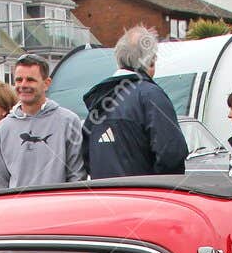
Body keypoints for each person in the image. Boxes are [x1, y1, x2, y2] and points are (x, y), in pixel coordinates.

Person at [80, 26, 187, 179]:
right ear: (150, 61)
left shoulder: (99, 100)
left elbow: (87, 157)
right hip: (144, 198)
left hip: (104, 196)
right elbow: (171, 154)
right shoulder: (151, 95)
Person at [0, 54, 86, 188]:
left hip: (58, 207)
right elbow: (0, 182)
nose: (23, 85)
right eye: (19, 80)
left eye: (30, 80)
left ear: (46, 83)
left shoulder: (69, 122)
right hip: (17, 208)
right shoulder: (2, 129)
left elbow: (77, 177)